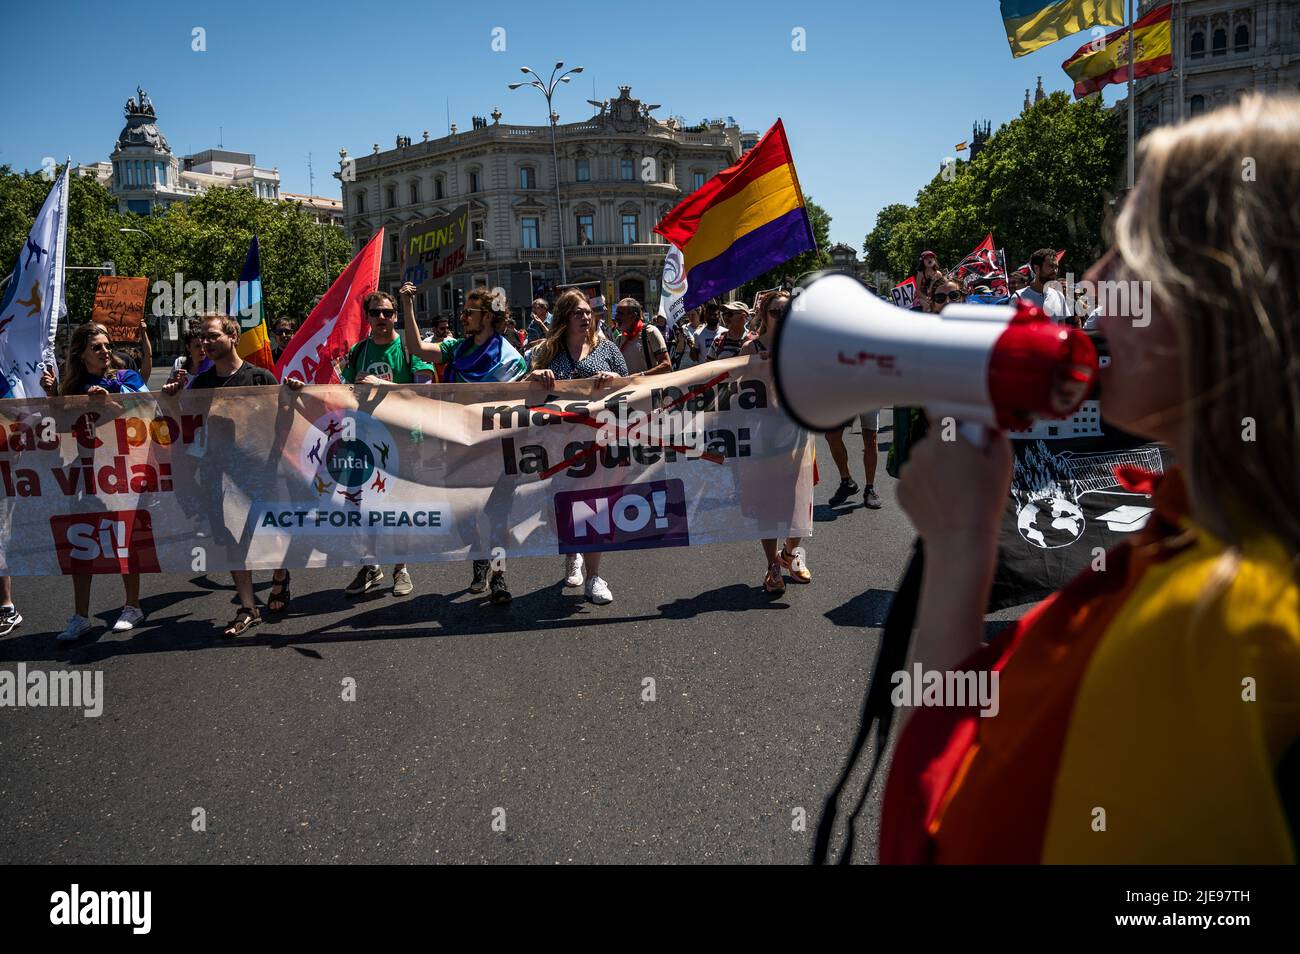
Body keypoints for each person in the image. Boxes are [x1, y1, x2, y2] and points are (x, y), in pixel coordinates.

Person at [883, 94, 1300, 864]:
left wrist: (959, 554)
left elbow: (939, 836)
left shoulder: (1220, 619)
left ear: (1228, 301)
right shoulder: (1202, 544)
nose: (1099, 283)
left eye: (1130, 252)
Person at [162, 314, 291, 636]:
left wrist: (291, 397)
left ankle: (280, 575)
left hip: (260, 472)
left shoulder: (259, 378)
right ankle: (248, 607)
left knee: (273, 536)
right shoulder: (201, 385)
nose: (205, 343)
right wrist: (172, 400)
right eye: (202, 338)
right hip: (220, 476)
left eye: (212, 336)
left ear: (233, 336)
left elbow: (281, 421)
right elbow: (185, 424)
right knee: (234, 542)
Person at [400, 281, 527, 604]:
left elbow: (519, 398)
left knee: (498, 516)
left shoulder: (509, 356)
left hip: (498, 448)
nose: (463, 317)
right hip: (460, 446)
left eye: (469, 312)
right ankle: (479, 554)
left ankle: (498, 575)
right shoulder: (457, 348)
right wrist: (408, 306)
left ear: (486, 316)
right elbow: (416, 348)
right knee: (465, 514)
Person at [41, 322, 149, 641]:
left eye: (106, 345)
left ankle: (132, 606)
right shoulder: (73, 387)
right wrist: (52, 396)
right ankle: (80, 617)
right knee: (82, 542)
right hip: (86, 474)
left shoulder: (126, 377)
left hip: (123, 472)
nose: (105, 352)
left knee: (123, 538)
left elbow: (146, 413)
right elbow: (58, 428)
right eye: (97, 347)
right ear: (81, 354)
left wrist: (109, 405)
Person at [523, 289, 627, 605]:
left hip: (598, 443)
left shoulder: (606, 349)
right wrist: (535, 374)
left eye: (587, 312)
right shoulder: (548, 351)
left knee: (596, 506)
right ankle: (572, 552)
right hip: (559, 445)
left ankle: (595, 577)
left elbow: (630, 386)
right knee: (564, 507)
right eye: (577, 312)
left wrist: (614, 380)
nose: (585, 316)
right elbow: (523, 387)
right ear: (564, 318)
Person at [339, 290, 434, 599]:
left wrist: (380, 384)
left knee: (397, 508)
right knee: (363, 507)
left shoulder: (409, 348)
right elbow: (348, 393)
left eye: (388, 312)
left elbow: (423, 392)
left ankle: (400, 567)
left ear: (396, 316)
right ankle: (370, 565)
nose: (382, 318)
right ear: (367, 317)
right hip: (366, 439)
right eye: (376, 312)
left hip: (404, 439)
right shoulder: (358, 351)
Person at [741, 290, 814, 593]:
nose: (782, 317)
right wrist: (756, 365)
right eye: (776, 312)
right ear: (764, 315)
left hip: (797, 432)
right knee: (769, 504)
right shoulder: (751, 346)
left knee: (799, 499)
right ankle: (774, 566)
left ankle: (789, 552)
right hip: (764, 436)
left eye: (788, 312)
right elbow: (738, 390)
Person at [614, 298, 671, 375]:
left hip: (649, 386)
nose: (616, 318)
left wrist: (642, 375)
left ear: (634, 316)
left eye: (621, 313)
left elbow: (667, 365)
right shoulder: (619, 339)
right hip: (628, 386)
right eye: (616, 313)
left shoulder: (650, 332)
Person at [1013, 248, 1069, 322]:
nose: (1055, 271)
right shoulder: (1018, 297)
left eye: (1056, 267)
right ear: (1036, 268)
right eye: (1051, 266)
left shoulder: (1059, 296)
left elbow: (1061, 328)